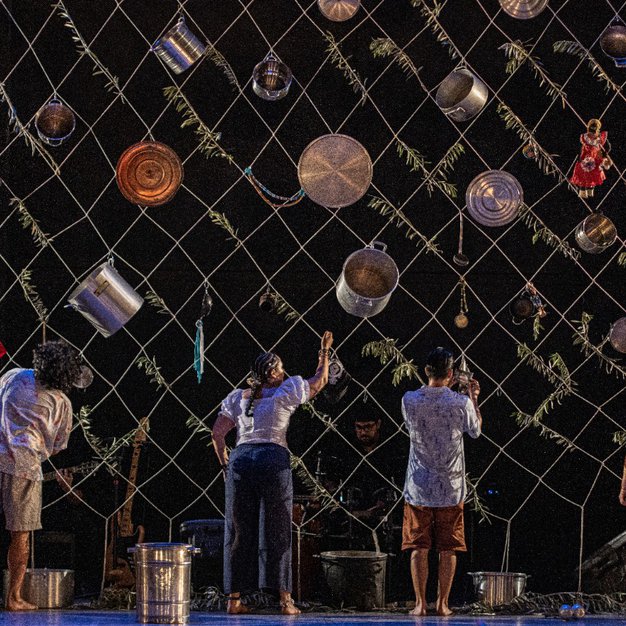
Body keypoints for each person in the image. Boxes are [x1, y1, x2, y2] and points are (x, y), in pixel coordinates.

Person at [211, 331, 333, 615]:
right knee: (277, 529)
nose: (284, 372)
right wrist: (324, 353)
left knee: (238, 531)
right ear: (272, 373)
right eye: (280, 368)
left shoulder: (237, 398)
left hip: (241, 460)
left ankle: (234, 600)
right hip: (272, 458)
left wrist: (225, 465)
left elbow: (217, 434)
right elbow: (320, 381)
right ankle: (285, 601)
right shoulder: (285, 392)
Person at [0, 340, 81, 610]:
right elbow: (58, 446)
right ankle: (13, 598)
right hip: (23, 468)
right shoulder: (62, 403)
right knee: (20, 536)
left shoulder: (14, 375)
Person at [401, 347, 481, 616]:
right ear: (451, 374)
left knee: (418, 547)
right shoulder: (461, 403)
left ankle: (420, 604)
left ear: (426, 371)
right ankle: (443, 604)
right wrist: (472, 398)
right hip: (451, 486)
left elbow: (411, 427)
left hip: (419, 485)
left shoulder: (409, 400)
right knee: (448, 548)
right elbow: (476, 431)